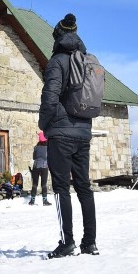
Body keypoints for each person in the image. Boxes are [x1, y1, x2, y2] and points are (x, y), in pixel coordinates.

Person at [38, 13, 98, 258]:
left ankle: (67, 242)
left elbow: (50, 97)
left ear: (57, 35)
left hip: (61, 134)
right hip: (83, 132)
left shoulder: (57, 62)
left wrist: (44, 124)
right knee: (84, 187)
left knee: (61, 187)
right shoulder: (86, 60)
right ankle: (90, 242)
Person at [29, 131, 51, 206]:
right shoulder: (48, 148)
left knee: (34, 184)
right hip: (44, 167)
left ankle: (32, 201)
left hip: (36, 166)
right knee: (44, 184)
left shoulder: (36, 147)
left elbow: (34, 157)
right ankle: (44, 201)